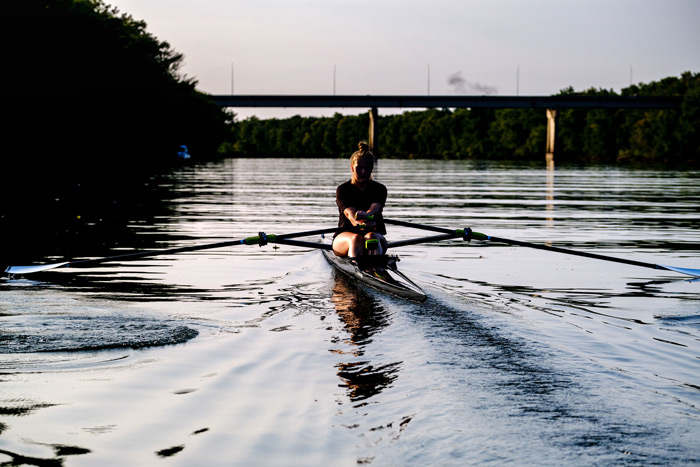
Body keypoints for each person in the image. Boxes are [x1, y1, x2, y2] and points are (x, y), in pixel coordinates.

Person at [332, 141, 387, 258]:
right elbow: (350, 215)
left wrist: (367, 215)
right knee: (356, 238)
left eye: (367, 168)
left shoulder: (380, 189)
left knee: (371, 236)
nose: (363, 172)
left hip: (374, 235)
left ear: (372, 169)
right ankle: (358, 267)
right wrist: (360, 223)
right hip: (345, 236)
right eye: (359, 168)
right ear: (352, 168)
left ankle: (376, 269)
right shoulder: (343, 189)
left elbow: (375, 208)